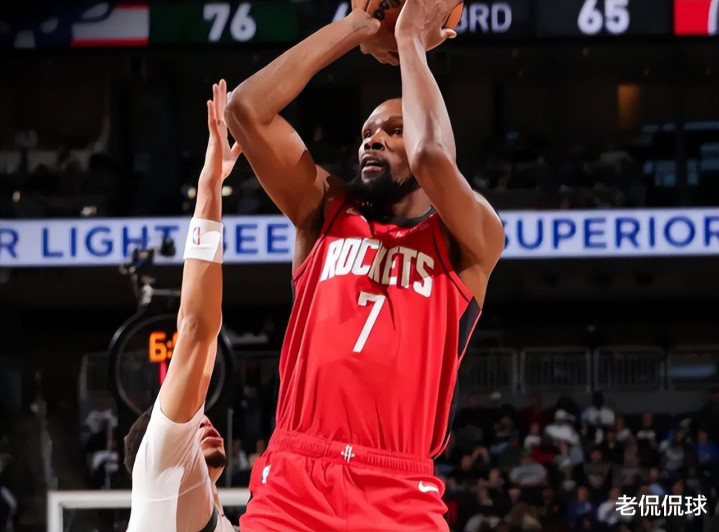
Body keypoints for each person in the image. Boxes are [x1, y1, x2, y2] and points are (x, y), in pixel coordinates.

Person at [224, 0, 505, 528]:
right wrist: (355, 26)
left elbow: (432, 158)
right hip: (295, 480)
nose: (373, 139)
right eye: (366, 134)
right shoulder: (324, 209)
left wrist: (411, 38)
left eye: (394, 130)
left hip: (399, 489)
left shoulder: (469, 236)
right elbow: (245, 109)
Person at [123, 80, 242, 532]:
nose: (202, 418)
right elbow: (196, 328)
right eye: (191, 419)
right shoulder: (158, 468)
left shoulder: (218, 519)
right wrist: (209, 186)